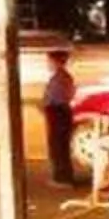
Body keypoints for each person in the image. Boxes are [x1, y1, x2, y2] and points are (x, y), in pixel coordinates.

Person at [41, 49, 80, 186]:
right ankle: (62, 176)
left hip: (58, 113)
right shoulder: (62, 76)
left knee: (58, 145)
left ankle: (62, 178)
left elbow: (55, 98)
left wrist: (46, 105)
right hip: (60, 112)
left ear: (56, 61)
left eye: (49, 61)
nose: (47, 64)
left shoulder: (60, 78)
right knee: (60, 145)